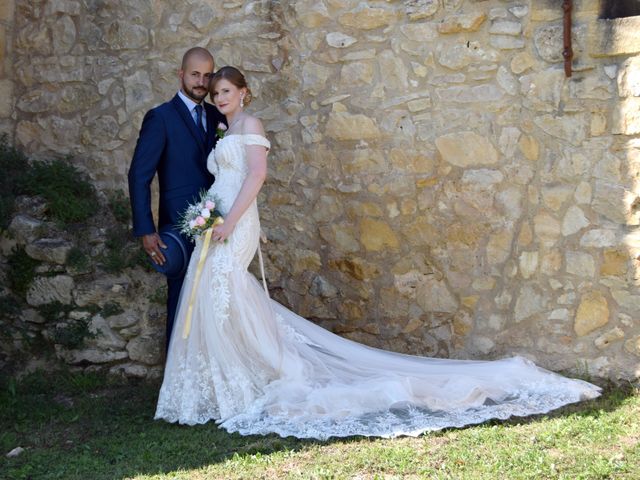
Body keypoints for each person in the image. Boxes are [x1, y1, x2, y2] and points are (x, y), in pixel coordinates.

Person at [154, 66, 601, 439]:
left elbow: (256, 176)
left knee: (222, 286)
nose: (221, 98)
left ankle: (255, 374)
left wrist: (230, 220)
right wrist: (209, 214)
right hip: (218, 218)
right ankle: (221, 384)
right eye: (216, 93)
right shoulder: (223, 128)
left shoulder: (251, 126)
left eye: (227, 91)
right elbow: (223, 178)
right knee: (211, 289)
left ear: (244, 93)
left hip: (239, 218)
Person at [128, 47, 226, 351]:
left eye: (207, 75)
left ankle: (208, 371)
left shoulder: (217, 115)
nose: (201, 81)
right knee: (181, 299)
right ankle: (173, 375)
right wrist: (146, 230)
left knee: (214, 299)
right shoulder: (160, 117)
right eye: (195, 74)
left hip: (218, 223)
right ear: (181, 74)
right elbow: (139, 176)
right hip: (179, 227)